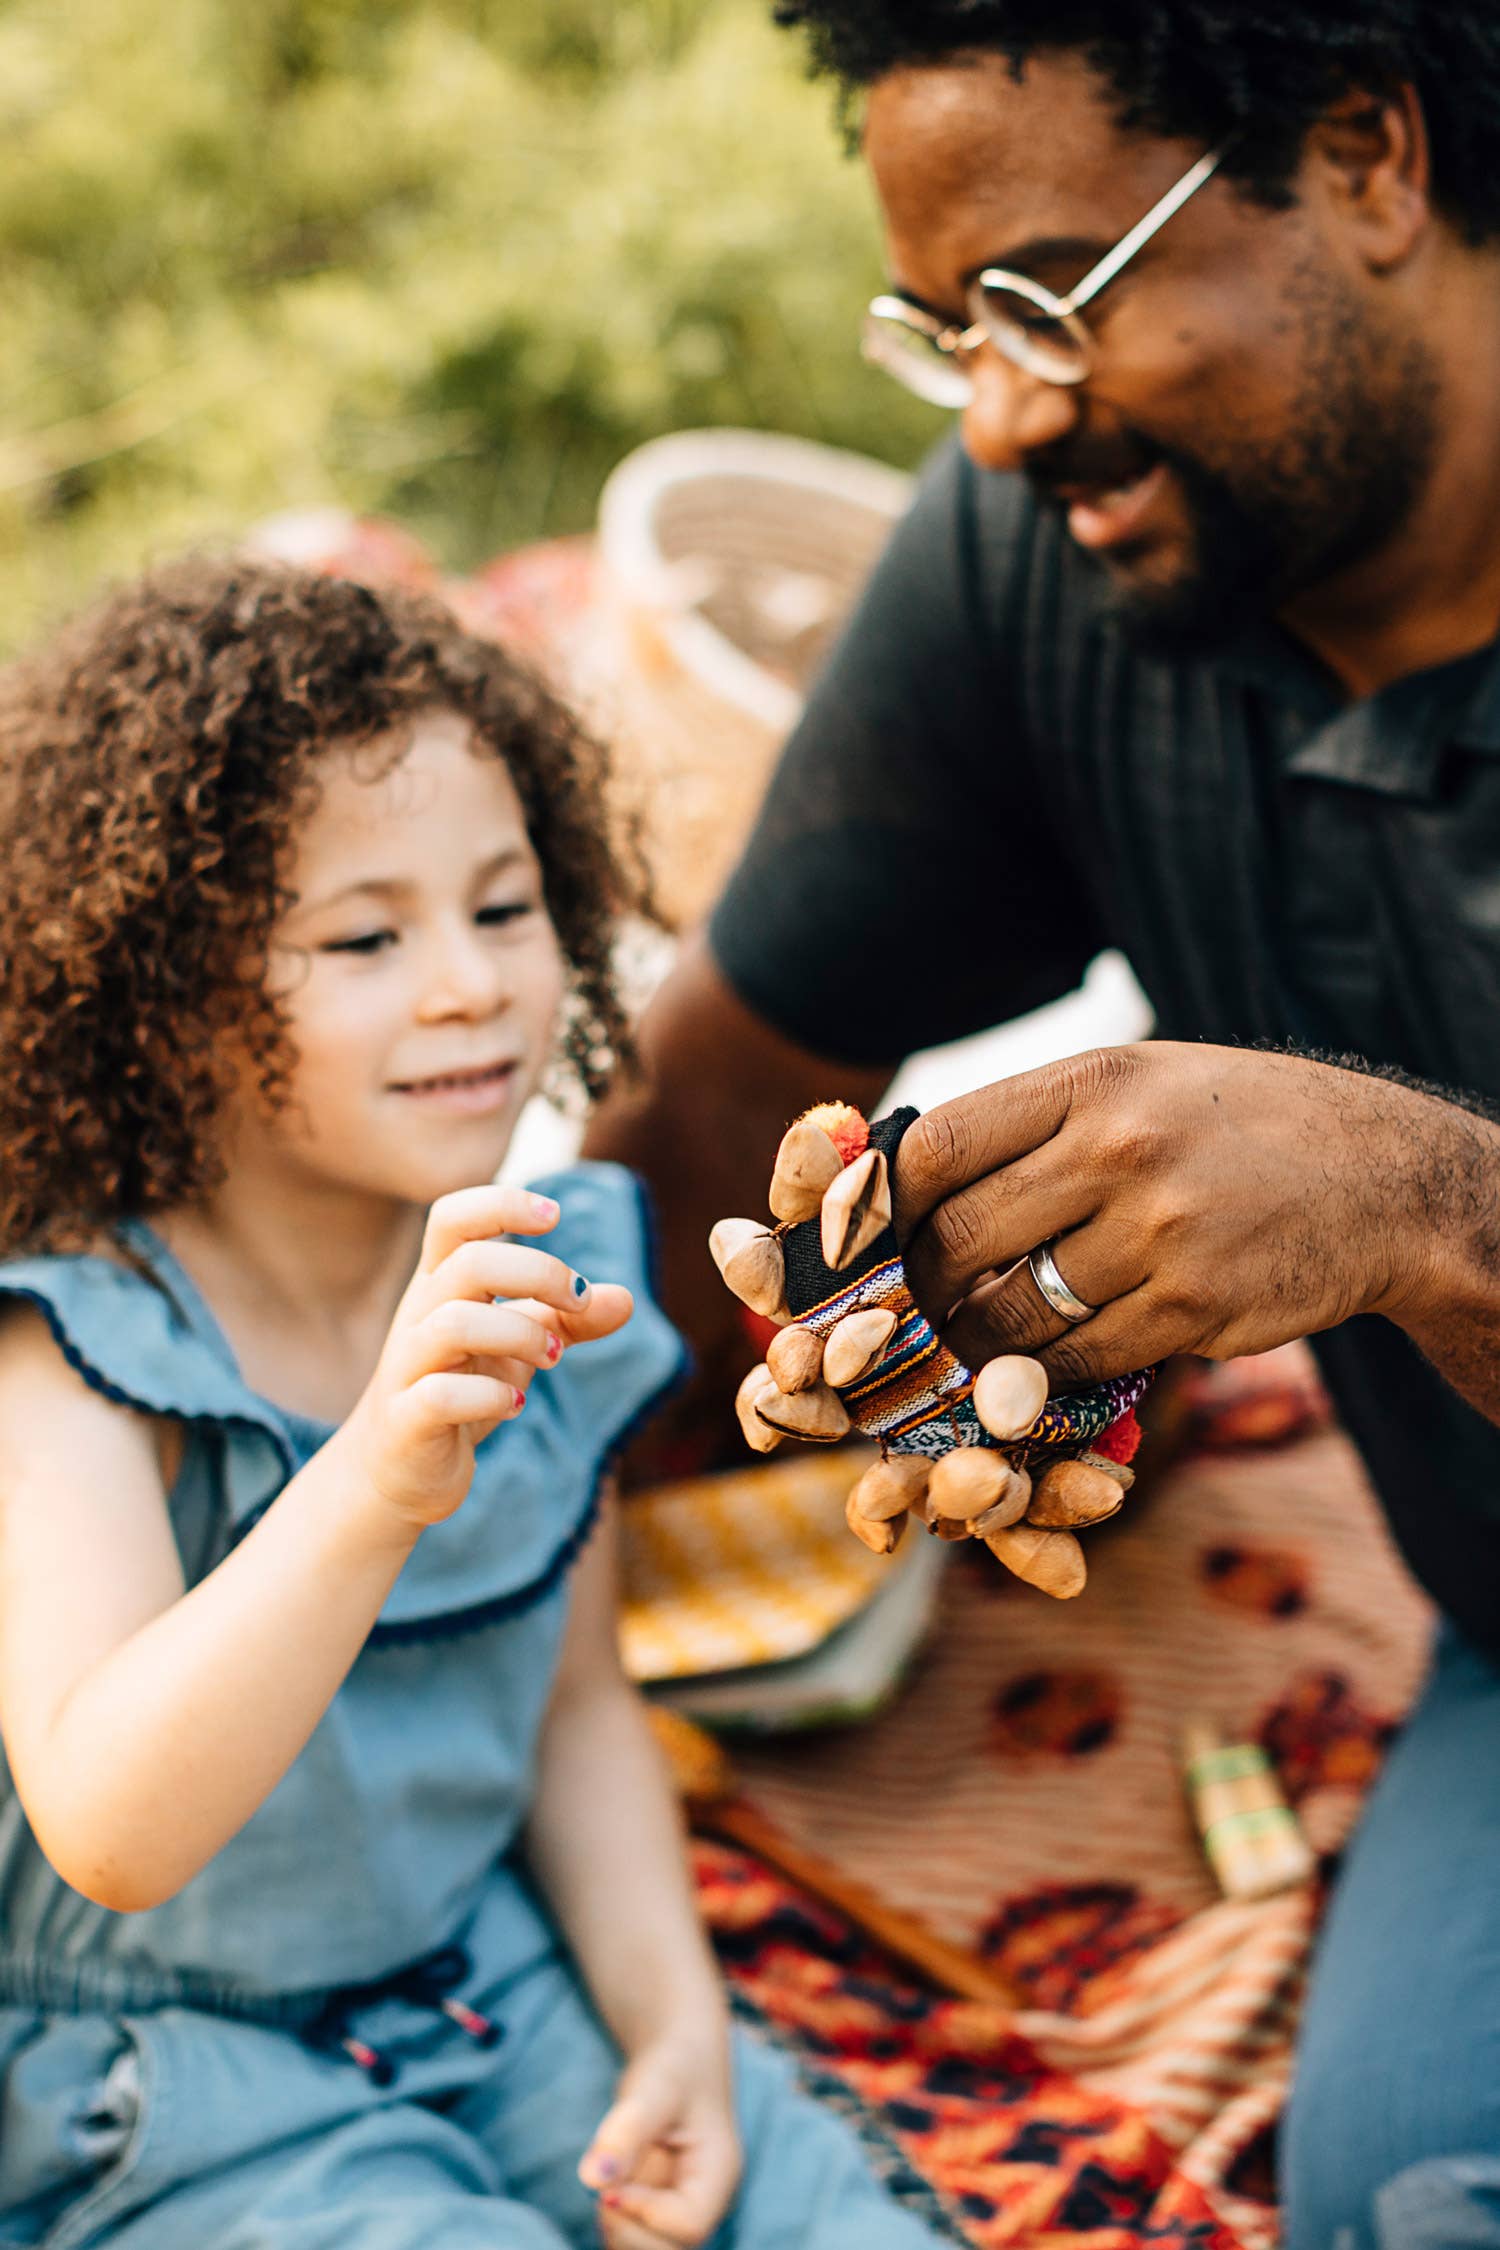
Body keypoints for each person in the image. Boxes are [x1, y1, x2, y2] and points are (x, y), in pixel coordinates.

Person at [587, 7, 1500, 2245]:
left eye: (1051, 300)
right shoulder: (1063, 561)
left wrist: (1418, 1208)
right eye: (943, 329)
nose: (998, 413)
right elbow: (718, 1104)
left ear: (1370, 161)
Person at [0, 558, 944, 2250]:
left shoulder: (537, 1267)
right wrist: (373, 1477)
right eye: (365, 935)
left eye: (505, 908)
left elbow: (573, 1707)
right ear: (164, 991)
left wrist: (673, 2030)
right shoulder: (71, 1353)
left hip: (484, 1983)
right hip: (163, 2076)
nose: (469, 984)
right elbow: (111, 1826)